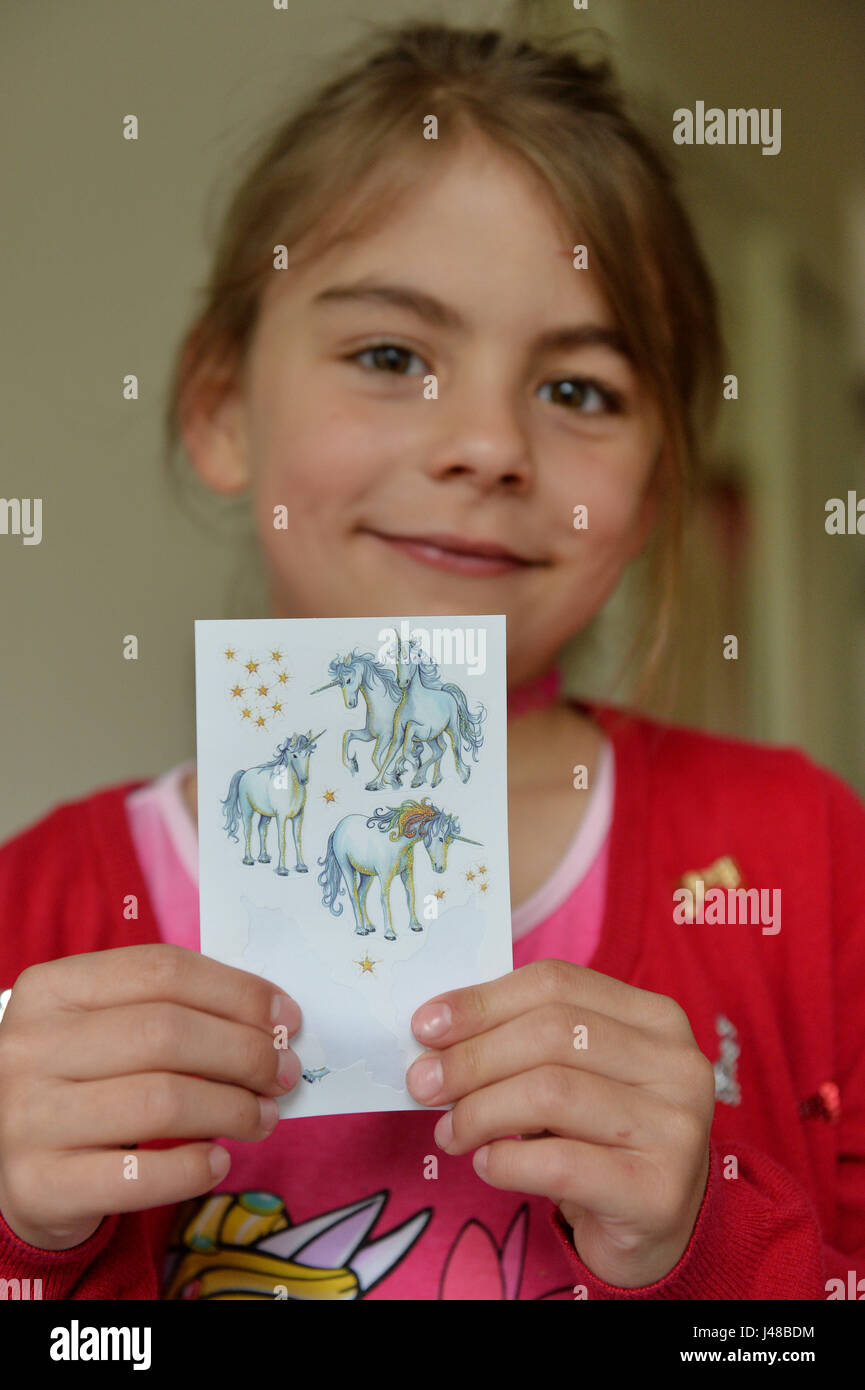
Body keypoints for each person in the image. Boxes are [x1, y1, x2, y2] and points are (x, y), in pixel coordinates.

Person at [0, 21, 862, 1302]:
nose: (484, 445)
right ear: (222, 407)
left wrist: (702, 1246)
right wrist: (28, 1234)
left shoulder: (804, 856)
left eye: (578, 390)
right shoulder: (38, 915)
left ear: (660, 474)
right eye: (392, 356)